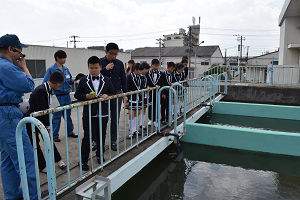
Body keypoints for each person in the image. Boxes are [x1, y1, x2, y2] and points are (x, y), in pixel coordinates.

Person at [0, 34, 38, 199]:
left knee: (8, 160)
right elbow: (28, 85)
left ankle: (12, 196)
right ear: (11, 49)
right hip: (8, 114)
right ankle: (32, 196)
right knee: (25, 159)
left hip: (3, 116)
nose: (21, 54)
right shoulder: (6, 67)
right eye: (19, 50)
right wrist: (24, 67)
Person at [75, 56, 115, 171]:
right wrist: (86, 96)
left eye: (96, 68)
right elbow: (77, 95)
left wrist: (107, 96)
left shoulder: (107, 79)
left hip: (103, 113)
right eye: (91, 68)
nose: (94, 70)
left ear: (100, 67)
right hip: (89, 114)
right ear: (88, 67)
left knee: (101, 135)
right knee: (87, 137)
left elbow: (112, 92)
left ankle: (99, 155)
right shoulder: (83, 80)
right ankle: (83, 161)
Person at [26, 72, 67, 173]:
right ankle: (42, 166)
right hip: (32, 121)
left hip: (40, 119)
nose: (60, 86)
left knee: (48, 140)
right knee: (35, 144)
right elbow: (42, 111)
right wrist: (48, 126)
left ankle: (58, 160)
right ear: (57, 83)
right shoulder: (41, 90)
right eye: (60, 84)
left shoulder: (48, 89)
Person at [43, 50, 77, 142]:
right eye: (63, 57)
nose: (65, 59)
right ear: (58, 58)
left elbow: (68, 80)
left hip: (67, 96)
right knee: (56, 116)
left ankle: (70, 132)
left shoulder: (66, 69)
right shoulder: (51, 70)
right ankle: (55, 135)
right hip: (57, 96)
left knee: (68, 115)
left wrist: (75, 80)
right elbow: (45, 82)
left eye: (65, 57)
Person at [100, 43, 127, 151]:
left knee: (115, 119)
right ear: (106, 51)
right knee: (102, 119)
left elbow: (123, 79)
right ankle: (98, 141)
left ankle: (114, 141)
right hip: (104, 94)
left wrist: (126, 94)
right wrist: (105, 69)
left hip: (117, 93)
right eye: (111, 54)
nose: (113, 56)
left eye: (115, 54)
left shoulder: (119, 63)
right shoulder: (100, 62)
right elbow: (95, 76)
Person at [126, 63, 144, 137]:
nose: (141, 72)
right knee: (131, 113)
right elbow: (126, 88)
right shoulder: (129, 77)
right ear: (136, 70)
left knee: (138, 112)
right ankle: (131, 131)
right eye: (140, 70)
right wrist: (126, 99)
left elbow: (142, 86)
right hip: (131, 97)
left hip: (138, 97)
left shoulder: (140, 77)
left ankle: (135, 129)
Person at [145, 59, 162, 127]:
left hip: (158, 92)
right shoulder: (147, 73)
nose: (156, 67)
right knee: (150, 105)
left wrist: (159, 86)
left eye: (157, 66)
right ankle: (150, 119)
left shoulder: (161, 73)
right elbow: (146, 82)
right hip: (150, 92)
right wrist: (148, 86)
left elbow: (162, 83)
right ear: (151, 65)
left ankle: (156, 120)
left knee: (157, 106)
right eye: (154, 65)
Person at [139, 62, 150, 130]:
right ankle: (134, 127)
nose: (147, 71)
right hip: (139, 95)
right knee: (138, 110)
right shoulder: (138, 76)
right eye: (146, 69)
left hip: (145, 95)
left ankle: (141, 124)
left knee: (144, 109)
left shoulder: (145, 77)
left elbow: (146, 85)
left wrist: (147, 87)